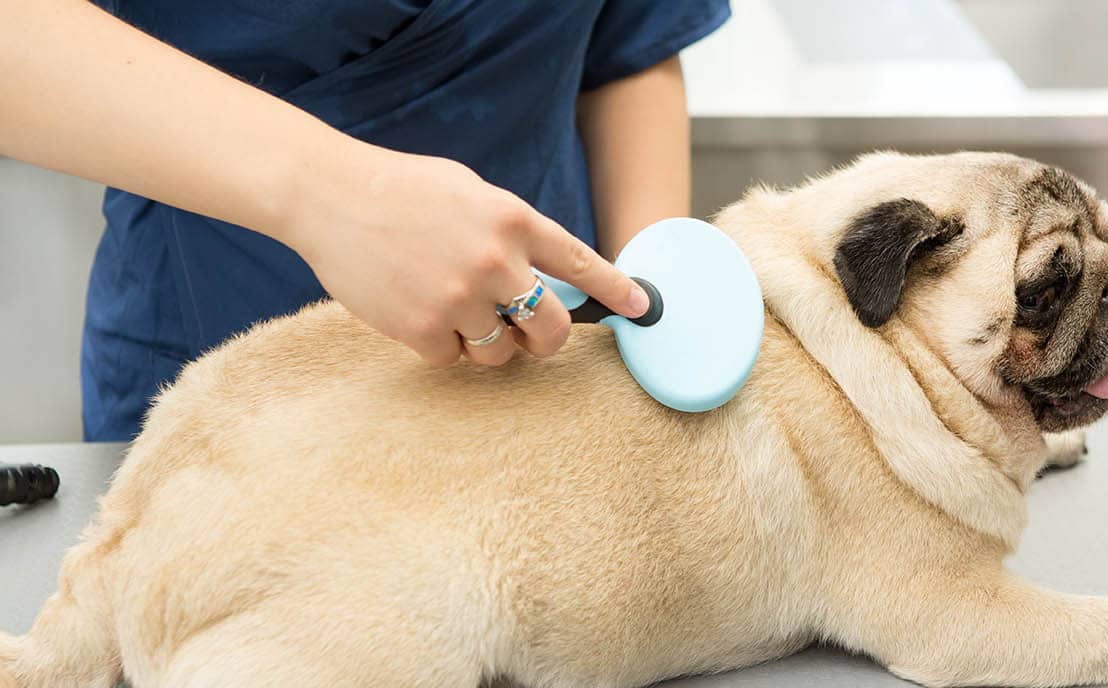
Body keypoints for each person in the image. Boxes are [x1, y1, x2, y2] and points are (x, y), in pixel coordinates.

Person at [0, 0, 730, 441]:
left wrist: (645, 324)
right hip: (241, 393)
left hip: (551, 382)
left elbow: (632, 41)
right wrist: (332, 195)